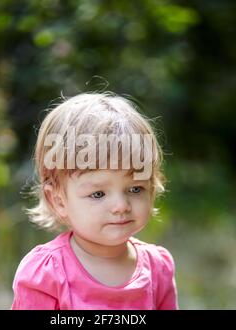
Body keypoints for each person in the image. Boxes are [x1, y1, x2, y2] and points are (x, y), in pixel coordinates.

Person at [11, 92, 178, 310]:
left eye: (135, 189)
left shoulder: (158, 268)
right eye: (98, 194)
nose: (121, 206)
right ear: (59, 201)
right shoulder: (46, 274)